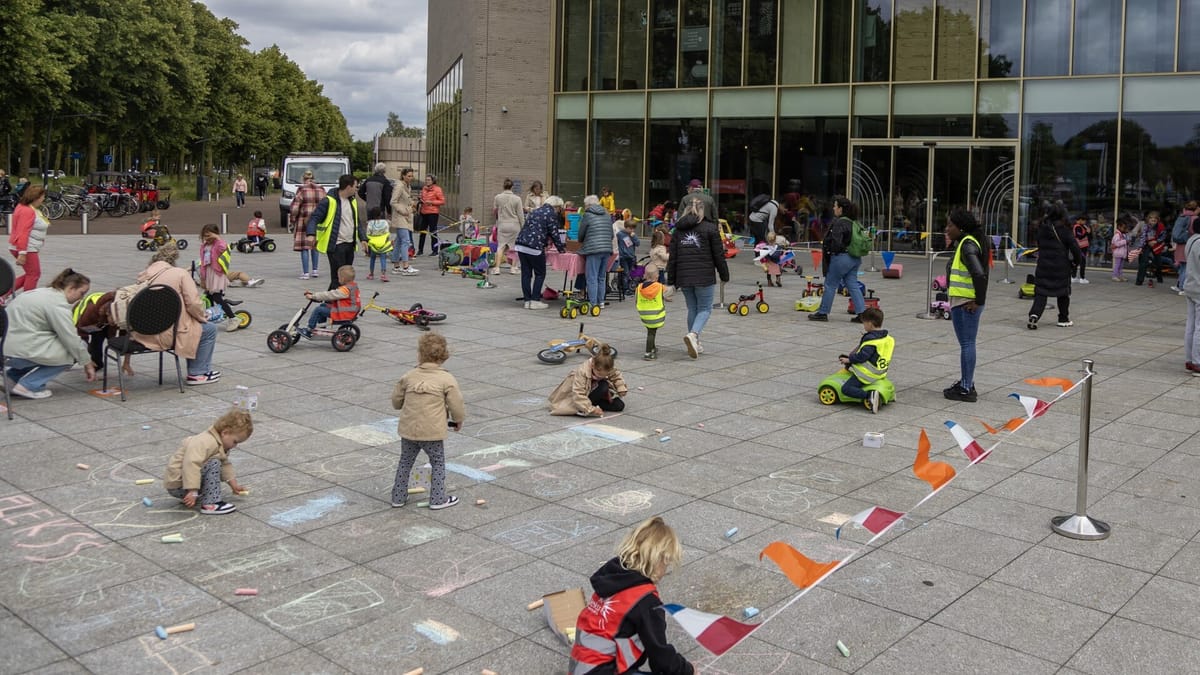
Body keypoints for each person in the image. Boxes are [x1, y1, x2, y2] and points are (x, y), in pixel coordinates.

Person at [568, 516, 694, 675]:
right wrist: (688, 670)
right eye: (666, 562)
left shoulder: (613, 578)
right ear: (657, 560)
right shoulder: (646, 601)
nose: (666, 569)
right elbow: (660, 658)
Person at [390, 332, 465, 510]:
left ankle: (398, 497)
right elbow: (456, 404)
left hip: (409, 430)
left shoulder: (409, 376)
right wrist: (458, 420)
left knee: (405, 461)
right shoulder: (447, 378)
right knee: (437, 462)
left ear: (420, 354)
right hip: (432, 432)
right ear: (444, 355)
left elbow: (395, 401)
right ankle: (438, 499)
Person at [134, 243, 221, 385]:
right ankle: (197, 373)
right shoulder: (180, 273)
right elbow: (193, 303)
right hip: (167, 333)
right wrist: (201, 316)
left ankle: (199, 371)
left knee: (195, 327)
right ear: (173, 261)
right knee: (208, 329)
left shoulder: (144, 276)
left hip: (142, 332)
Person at [4, 268, 95, 399]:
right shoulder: (58, 305)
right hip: (21, 351)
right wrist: (87, 362)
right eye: (82, 293)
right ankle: (28, 386)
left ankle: (11, 379)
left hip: (7, 348)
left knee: (51, 348)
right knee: (75, 350)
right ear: (71, 288)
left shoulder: (39, 293)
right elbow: (70, 339)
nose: (82, 298)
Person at [667, 200, 728, 359]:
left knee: (692, 308)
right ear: (703, 213)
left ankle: (695, 342)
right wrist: (724, 274)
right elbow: (718, 255)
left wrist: (671, 281)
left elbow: (672, 257)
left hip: (684, 276)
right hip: (704, 276)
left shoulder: (677, 231)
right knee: (705, 309)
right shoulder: (710, 229)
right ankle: (693, 335)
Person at [163, 409, 252, 515]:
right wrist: (192, 490)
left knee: (217, 462)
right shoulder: (206, 441)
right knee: (214, 463)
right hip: (179, 484)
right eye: (235, 441)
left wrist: (234, 485)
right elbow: (191, 464)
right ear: (225, 433)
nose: (235, 446)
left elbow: (225, 464)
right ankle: (211, 504)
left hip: (184, 482)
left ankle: (202, 496)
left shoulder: (218, 442)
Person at [942, 209, 989, 402]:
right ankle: (966, 381)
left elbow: (979, 274)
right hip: (964, 301)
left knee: (967, 344)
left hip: (966, 303)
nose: (947, 229)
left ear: (960, 227)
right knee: (966, 343)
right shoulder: (965, 242)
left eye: (950, 225)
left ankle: (966, 388)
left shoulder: (967, 244)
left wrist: (978, 301)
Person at [808, 196, 866, 323]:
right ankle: (862, 313)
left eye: (835, 206)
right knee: (853, 285)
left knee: (830, 285)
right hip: (854, 258)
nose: (833, 208)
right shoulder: (854, 221)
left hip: (841, 258)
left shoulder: (840, 222)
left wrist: (831, 251)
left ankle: (823, 312)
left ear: (840, 209)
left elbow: (836, 243)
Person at [1028, 204, 1084, 330]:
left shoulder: (1042, 228)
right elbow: (1076, 250)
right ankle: (1063, 319)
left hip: (1043, 265)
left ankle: (1034, 314)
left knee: (1041, 293)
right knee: (1063, 293)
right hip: (1061, 266)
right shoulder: (1065, 230)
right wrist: (1075, 263)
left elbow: (1040, 245)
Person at [306, 174, 366, 291]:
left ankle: (333, 303)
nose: (357, 189)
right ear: (348, 187)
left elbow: (356, 221)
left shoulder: (352, 201)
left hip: (350, 244)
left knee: (345, 278)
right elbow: (314, 218)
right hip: (336, 245)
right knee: (338, 277)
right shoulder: (329, 201)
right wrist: (311, 234)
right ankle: (328, 305)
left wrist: (363, 238)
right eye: (355, 186)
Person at [836, 307, 893, 414]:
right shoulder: (886, 337)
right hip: (881, 370)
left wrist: (849, 360)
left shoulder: (871, 341)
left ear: (870, 324)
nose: (864, 326)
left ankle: (868, 396)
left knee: (846, 389)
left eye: (864, 323)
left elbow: (862, 357)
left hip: (867, 373)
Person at [515, 196, 567, 310]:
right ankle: (535, 300)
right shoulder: (551, 213)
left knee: (526, 274)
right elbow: (554, 233)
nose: (559, 211)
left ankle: (527, 300)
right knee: (540, 273)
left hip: (521, 244)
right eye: (560, 209)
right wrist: (561, 249)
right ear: (556, 206)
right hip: (535, 246)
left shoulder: (536, 211)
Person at [548, 344, 627, 416]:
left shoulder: (607, 366)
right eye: (599, 374)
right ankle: (584, 407)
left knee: (619, 406)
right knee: (604, 385)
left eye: (605, 374)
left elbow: (616, 376)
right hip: (576, 398)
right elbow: (578, 394)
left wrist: (621, 388)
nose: (601, 376)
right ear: (593, 365)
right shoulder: (582, 372)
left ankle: (591, 404)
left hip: (593, 392)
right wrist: (591, 409)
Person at [73, 290, 132, 379]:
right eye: (115, 319)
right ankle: (72, 361)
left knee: (98, 340)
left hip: (102, 322)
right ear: (108, 313)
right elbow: (81, 336)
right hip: (84, 322)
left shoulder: (121, 315)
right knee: (79, 348)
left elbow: (125, 338)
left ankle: (96, 365)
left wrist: (126, 362)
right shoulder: (90, 312)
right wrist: (86, 361)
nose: (117, 322)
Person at [7, 185, 50, 295]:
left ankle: (4, 295)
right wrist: (22, 252)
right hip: (26, 247)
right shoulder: (28, 211)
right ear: (36, 197)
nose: (43, 199)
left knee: (31, 273)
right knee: (34, 274)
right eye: (43, 196)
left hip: (27, 246)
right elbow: (23, 232)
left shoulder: (24, 207)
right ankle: (27, 300)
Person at [300, 265, 360, 338]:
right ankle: (321, 328)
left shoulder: (344, 290)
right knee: (323, 306)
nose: (338, 279)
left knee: (318, 310)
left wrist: (314, 296)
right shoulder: (353, 286)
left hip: (343, 314)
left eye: (339, 277)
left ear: (343, 279)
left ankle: (309, 329)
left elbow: (330, 295)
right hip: (349, 312)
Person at [578, 195, 615, 308]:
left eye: (585, 206)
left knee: (592, 277)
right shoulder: (607, 214)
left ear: (588, 205)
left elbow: (581, 233)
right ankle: (601, 302)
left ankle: (593, 303)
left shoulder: (587, 215)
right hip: (607, 249)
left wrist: (580, 240)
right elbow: (612, 234)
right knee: (601, 277)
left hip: (593, 249)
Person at [289, 170, 325, 280]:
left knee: (304, 247)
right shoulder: (321, 189)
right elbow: (325, 205)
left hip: (303, 220)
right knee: (315, 246)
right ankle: (315, 270)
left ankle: (305, 273)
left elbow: (295, 208)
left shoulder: (301, 189)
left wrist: (293, 219)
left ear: (303, 179)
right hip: (317, 220)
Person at [389, 167, 419, 276]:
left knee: (399, 241)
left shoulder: (407, 186)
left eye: (412, 176)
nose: (411, 178)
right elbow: (393, 201)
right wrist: (405, 210)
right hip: (400, 216)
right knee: (405, 240)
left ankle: (396, 266)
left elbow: (405, 199)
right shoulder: (399, 186)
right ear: (403, 176)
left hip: (406, 216)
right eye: (409, 176)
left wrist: (412, 203)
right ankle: (405, 266)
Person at [494, 178, 525, 275]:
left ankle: (497, 268)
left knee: (501, 246)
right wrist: (523, 227)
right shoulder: (517, 199)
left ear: (503, 186)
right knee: (515, 247)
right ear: (512, 187)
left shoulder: (497, 197)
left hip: (502, 224)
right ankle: (513, 268)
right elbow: (521, 215)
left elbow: (495, 210)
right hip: (514, 225)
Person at [1182, 216, 1200, 376]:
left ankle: (1190, 359)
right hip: (1199, 287)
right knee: (1199, 327)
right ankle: (1197, 362)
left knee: (1191, 324)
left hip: (1190, 286)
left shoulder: (1192, 240)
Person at [1134, 210, 1167, 287]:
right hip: (1147, 244)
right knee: (1143, 262)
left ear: (1157, 220)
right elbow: (1143, 236)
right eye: (1151, 220)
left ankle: (1159, 278)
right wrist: (1141, 247)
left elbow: (1164, 236)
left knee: (1158, 262)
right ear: (1148, 220)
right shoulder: (1146, 226)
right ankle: (1139, 281)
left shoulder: (1161, 226)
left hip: (1156, 244)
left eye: (1155, 220)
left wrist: (1156, 241)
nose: (1153, 222)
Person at [637, 277, 666, 361]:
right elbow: (666, 295)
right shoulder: (660, 286)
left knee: (650, 331)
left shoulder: (639, 287)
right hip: (656, 314)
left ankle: (652, 347)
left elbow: (636, 300)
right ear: (656, 276)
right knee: (651, 333)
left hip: (644, 314)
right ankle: (648, 353)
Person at [416, 174, 445, 256]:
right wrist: (420, 199)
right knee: (422, 231)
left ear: (433, 181)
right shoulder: (424, 188)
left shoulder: (437, 189)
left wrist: (432, 202)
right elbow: (422, 197)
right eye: (426, 180)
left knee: (433, 231)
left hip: (433, 213)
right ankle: (420, 250)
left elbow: (442, 201)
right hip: (424, 212)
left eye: (428, 180)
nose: (427, 181)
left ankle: (435, 250)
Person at [1171, 201, 1197, 293]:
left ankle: (1179, 285)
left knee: (1182, 267)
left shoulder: (1182, 217)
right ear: (1196, 209)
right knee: (1187, 268)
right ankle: (1182, 287)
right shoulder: (1195, 219)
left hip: (1180, 245)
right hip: (1188, 245)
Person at [365, 207, 393, 282]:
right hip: (383, 243)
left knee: (372, 258)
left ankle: (371, 274)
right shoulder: (385, 222)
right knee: (383, 258)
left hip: (374, 243)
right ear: (380, 214)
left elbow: (368, 233)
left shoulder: (370, 223)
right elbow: (387, 232)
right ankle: (383, 274)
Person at [617, 216, 640, 293]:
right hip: (623, 256)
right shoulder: (620, 234)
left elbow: (637, 244)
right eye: (630, 228)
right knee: (625, 272)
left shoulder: (633, 235)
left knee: (629, 272)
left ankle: (624, 285)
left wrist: (634, 237)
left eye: (633, 228)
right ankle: (625, 288)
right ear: (626, 227)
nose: (632, 230)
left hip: (631, 256)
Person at [1071, 214, 1091, 283]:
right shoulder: (1077, 227)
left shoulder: (1081, 226)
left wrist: (1087, 232)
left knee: (1076, 262)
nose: (1085, 222)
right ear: (1080, 220)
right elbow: (1079, 236)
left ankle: (1073, 277)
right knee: (1082, 262)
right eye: (1084, 220)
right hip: (1080, 247)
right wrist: (1087, 232)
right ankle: (1082, 278)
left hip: (1082, 246)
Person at [1110, 217, 1130, 282]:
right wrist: (1125, 241)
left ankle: (1120, 276)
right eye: (1124, 228)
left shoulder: (1123, 234)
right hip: (1118, 253)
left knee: (1121, 266)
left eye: (1125, 228)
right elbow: (1116, 243)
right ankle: (1114, 276)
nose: (1125, 229)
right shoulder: (1117, 235)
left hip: (1121, 253)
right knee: (1117, 265)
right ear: (1119, 227)